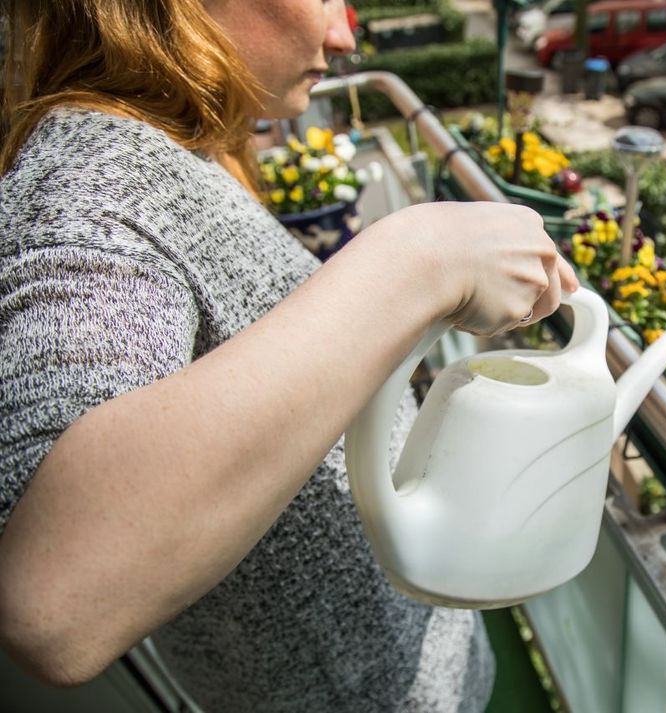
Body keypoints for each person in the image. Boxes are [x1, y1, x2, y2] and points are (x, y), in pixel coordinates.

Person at [0, 1, 577, 711]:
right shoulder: (94, 182)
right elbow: (55, 599)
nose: (345, 31)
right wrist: (419, 258)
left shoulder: (173, 144)